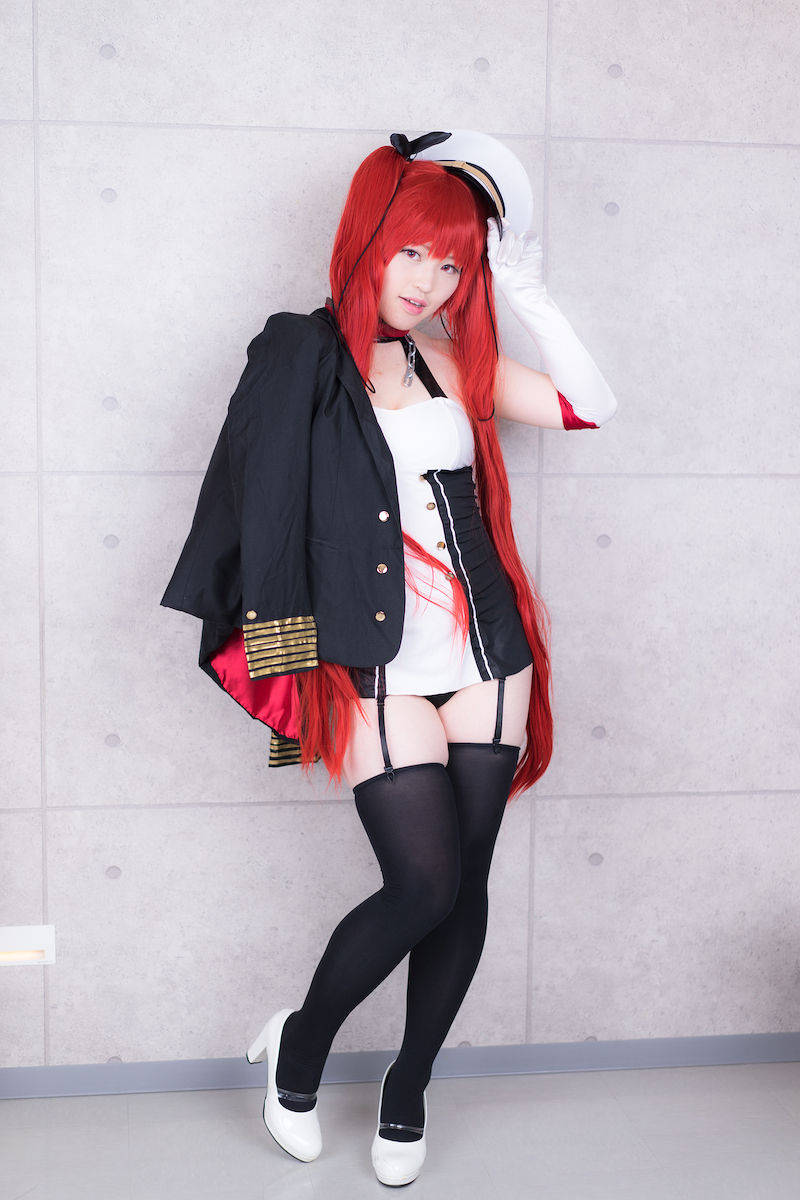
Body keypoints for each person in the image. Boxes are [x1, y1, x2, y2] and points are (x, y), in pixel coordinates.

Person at [162, 129, 617, 1186]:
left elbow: (587, 406)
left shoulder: (451, 361)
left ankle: (409, 1086)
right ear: (367, 238)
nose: (427, 281)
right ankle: (301, 1046)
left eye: (451, 264)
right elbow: (261, 515)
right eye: (412, 251)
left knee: (466, 884)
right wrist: (284, 687)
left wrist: (524, 289)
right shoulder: (297, 353)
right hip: (373, 661)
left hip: (485, 652)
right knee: (421, 883)